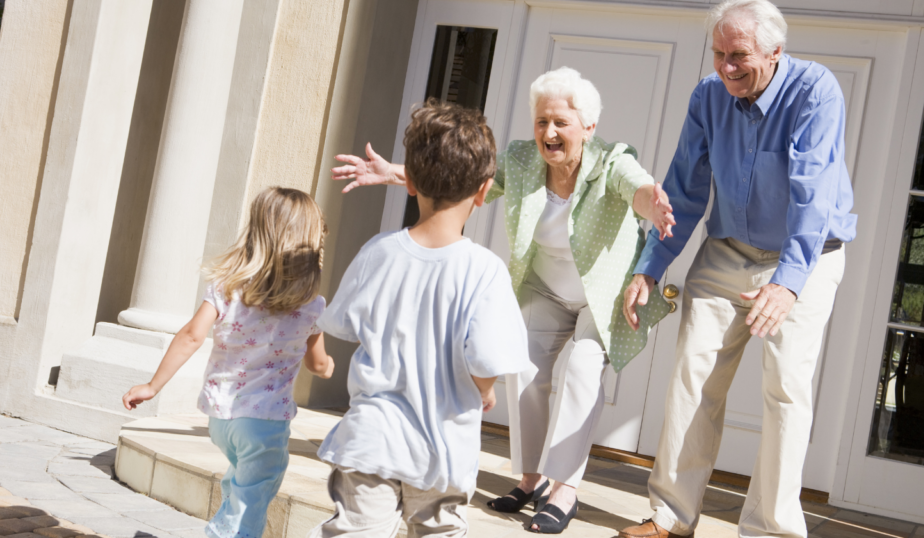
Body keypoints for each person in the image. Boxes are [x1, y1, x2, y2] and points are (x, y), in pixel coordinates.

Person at [332, 67, 675, 534]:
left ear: (588, 128)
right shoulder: (520, 159)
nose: (548, 133)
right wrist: (397, 173)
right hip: (546, 286)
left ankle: (564, 487)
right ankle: (531, 478)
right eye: (540, 122)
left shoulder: (613, 162)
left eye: (560, 123)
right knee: (526, 369)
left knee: (580, 370)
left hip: (601, 295)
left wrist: (651, 205)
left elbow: (636, 187)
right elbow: (462, 179)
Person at [618, 1, 856, 538]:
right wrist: (651, 266)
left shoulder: (815, 91)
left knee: (786, 389)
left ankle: (771, 530)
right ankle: (669, 519)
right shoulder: (708, 96)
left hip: (809, 255)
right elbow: (684, 186)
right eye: (719, 53)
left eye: (740, 56)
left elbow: (812, 195)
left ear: (775, 52)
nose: (726, 67)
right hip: (727, 252)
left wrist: (788, 284)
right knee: (691, 378)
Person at [309, 100, 533, 538]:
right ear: (485, 190)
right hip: (442, 448)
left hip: (370, 439)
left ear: (408, 181)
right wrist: (483, 390)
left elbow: (341, 324)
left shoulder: (378, 251)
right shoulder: (485, 270)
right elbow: (487, 361)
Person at [121, 187, 334, 538]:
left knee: (240, 483)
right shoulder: (311, 305)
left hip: (221, 418)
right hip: (265, 423)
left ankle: (225, 527)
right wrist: (329, 368)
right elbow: (318, 364)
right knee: (252, 502)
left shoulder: (227, 287)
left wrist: (152, 385)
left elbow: (191, 336)